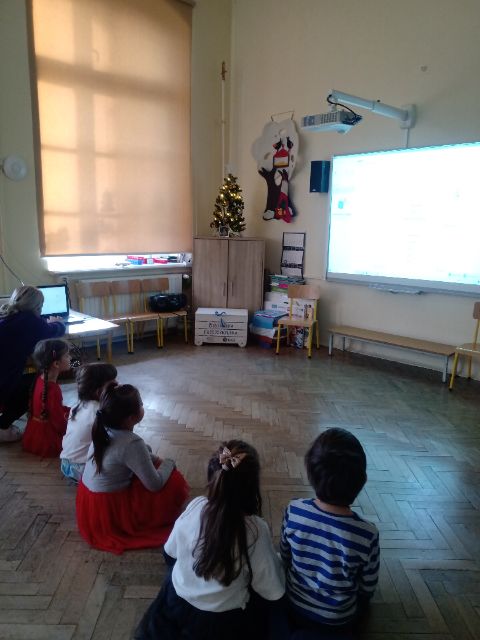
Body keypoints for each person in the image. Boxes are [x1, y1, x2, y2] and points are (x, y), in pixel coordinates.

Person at [134, 440, 285, 640]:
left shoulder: (196, 505)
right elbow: (271, 588)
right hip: (221, 621)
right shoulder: (256, 529)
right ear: (252, 488)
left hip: (176, 601)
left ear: (213, 479)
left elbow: (170, 552)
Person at [279, 428, 380, 638]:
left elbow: (285, 557)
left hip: (294, 606)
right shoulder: (367, 534)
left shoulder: (294, 511)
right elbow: (367, 587)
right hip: (338, 620)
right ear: (361, 481)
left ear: (311, 474)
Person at [76, 382, 189, 555]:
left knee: (152, 461)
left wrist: (150, 456)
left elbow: (130, 454)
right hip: (109, 509)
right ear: (130, 418)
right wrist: (169, 462)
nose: (143, 407)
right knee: (173, 479)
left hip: (90, 502)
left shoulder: (103, 427)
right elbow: (155, 484)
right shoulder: (132, 443)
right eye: (141, 404)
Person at [0, 286, 65, 443]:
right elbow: (56, 330)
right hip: (3, 383)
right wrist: (58, 322)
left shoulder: (6, 315)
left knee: (29, 376)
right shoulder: (30, 321)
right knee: (36, 386)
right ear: (37, 307)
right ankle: (2, 426)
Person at [60, 362, 118, 483]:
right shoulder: (99, 412)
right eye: (113, 384)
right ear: (99, 392)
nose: (117, 385)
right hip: (81, 469)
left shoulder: (79, 405)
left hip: (66, 464)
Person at [22, 338, 71, 457]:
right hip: (47, 439)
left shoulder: (40, 379)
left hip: (34, 432)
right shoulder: (52, 389)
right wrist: (71, 428)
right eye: (67, 355)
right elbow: (59, 422)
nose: (70, 358)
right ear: (56, 364)